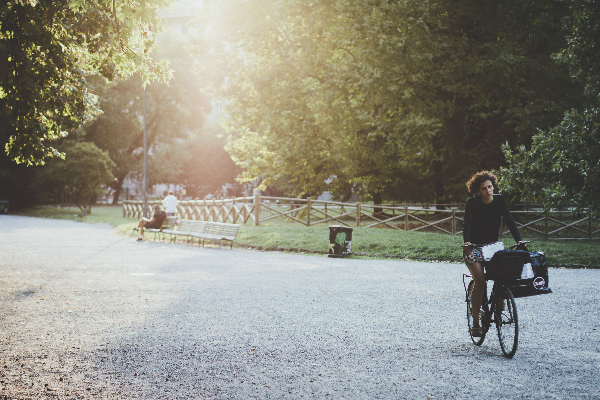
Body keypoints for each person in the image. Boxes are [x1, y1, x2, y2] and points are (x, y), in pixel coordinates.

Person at [462, 171, 526, 337]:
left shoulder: (500, 200)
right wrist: (467, 241)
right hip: (474, 248)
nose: (488, 191)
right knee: (480, 280)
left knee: (504, 273)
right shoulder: (473, 202)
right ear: (478, 190)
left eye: (490, 187)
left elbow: (510, 220)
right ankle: (476, 323)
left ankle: (500, 298)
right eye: (484, 188)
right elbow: (467, 224)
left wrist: (519, 241)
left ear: (493, 186)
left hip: (492, 247)